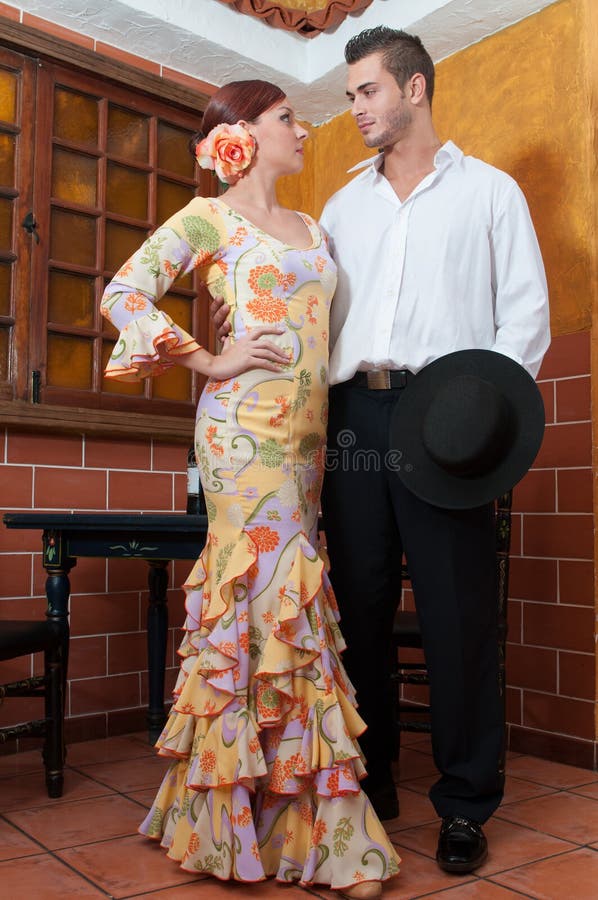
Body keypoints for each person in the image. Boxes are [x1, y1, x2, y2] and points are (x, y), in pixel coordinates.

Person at [212, 28, 550, 875]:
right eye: (351, 94)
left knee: (456, 615)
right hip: (354, 413)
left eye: (366, 91)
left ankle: (466, 803)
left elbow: (526, 319)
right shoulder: (340, 207)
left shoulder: (492, 194)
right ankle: (373, 779)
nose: (354, 108)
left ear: (416, 89)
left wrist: (484, 422)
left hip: (451, 416)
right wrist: (243, 332)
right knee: (356, 604)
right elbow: (308, 313)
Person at [100, 79, 400, 899]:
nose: (301, 131)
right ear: (240, 133)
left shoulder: (312, 227)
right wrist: (210, 359)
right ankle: (319, 836)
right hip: (239, 435)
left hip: (308, 442)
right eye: (286, 119)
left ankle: (276, 818)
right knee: (263, 593)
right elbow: (121, 293)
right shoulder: (207, 217)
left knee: (293, 608)